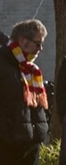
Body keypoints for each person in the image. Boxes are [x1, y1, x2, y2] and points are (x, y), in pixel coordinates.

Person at [0, 20, 50, 164]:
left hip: (31, 143)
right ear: (23, 40)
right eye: (38, 43)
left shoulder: (31, 69)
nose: (40, 49)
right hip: (7, 145)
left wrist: (40, 131)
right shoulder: (3, 63)